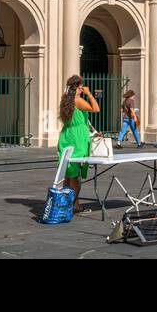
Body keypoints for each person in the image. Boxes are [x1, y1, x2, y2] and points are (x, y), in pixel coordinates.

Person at [56, 75, 100, 215]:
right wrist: (89, 94)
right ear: (79, 87)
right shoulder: (78, 100)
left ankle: (72, 204)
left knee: (68, 173)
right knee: (74, 174)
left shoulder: (66, 100)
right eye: (82, 86)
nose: (83, 89)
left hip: (67, 136)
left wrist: (93, 131)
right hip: (77, 138)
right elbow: (96, 109)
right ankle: (71, 205)